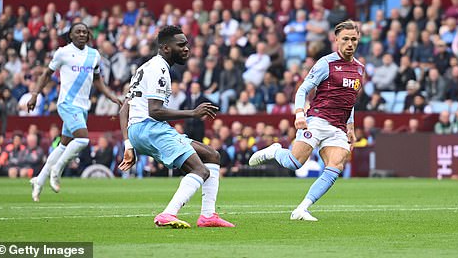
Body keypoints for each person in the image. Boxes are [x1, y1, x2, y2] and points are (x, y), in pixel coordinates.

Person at [118, 25, 234, 228]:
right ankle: (168, 214)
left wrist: (129, 145)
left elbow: (123, 111)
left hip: (139, 130)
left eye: (187, 44)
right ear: (165, 48)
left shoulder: (144, 68)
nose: (186, 49)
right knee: (200, 170)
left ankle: (208, 215)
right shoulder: (159, 69)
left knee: (211, 155)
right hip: (150, 128)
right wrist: (193, 113)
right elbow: (154, 110)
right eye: (181, 45)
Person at [249, 20, 364, 221]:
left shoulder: (360, 69)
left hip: (338, 127)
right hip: (317, 119)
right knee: (295, 163)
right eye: (345, 39)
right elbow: (303, 89)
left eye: (354, 39)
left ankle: (302, 209)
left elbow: (350, 99)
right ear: (336, 40)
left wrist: (351, 127)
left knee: (336, 166)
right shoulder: (325, 63)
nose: (350, 43)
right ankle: (275, 150)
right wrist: (300, 114)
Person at [28, 22, 121, 201]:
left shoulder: (94, 55)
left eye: (85, 32)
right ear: (70, 35)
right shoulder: (62, 52)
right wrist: (34, 94)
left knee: (63, 145)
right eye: (78, 32)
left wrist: (112, 97)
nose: (82, 34)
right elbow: (46, 74)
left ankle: (39, 181)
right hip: (67, 103)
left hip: (82, 106)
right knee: (83, 139)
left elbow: (98, 80)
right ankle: (57, 170)